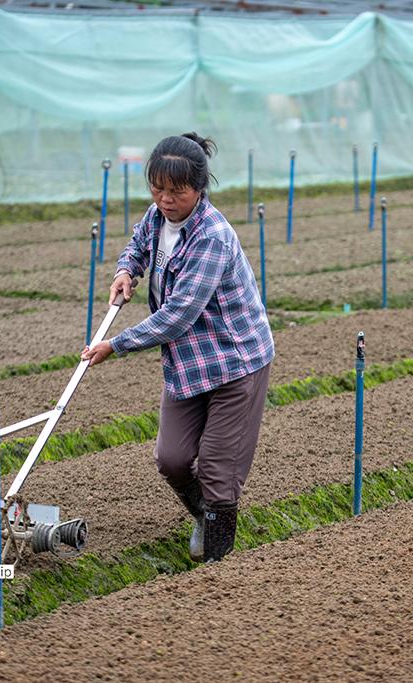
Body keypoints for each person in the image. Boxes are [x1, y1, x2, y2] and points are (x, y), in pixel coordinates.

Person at [81, 132, 274, 563]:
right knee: (171, 458)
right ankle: (205, 519)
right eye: (158, 189)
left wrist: (118, 343)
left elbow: (179, 315)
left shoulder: (211, 237)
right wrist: (127, 270)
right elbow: (139, 243)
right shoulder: (156, 217)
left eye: (177, 191)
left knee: (216, 470)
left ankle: (217, 563)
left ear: (199, 189)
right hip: (190, 362)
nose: (166, 200)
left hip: (234, 361)